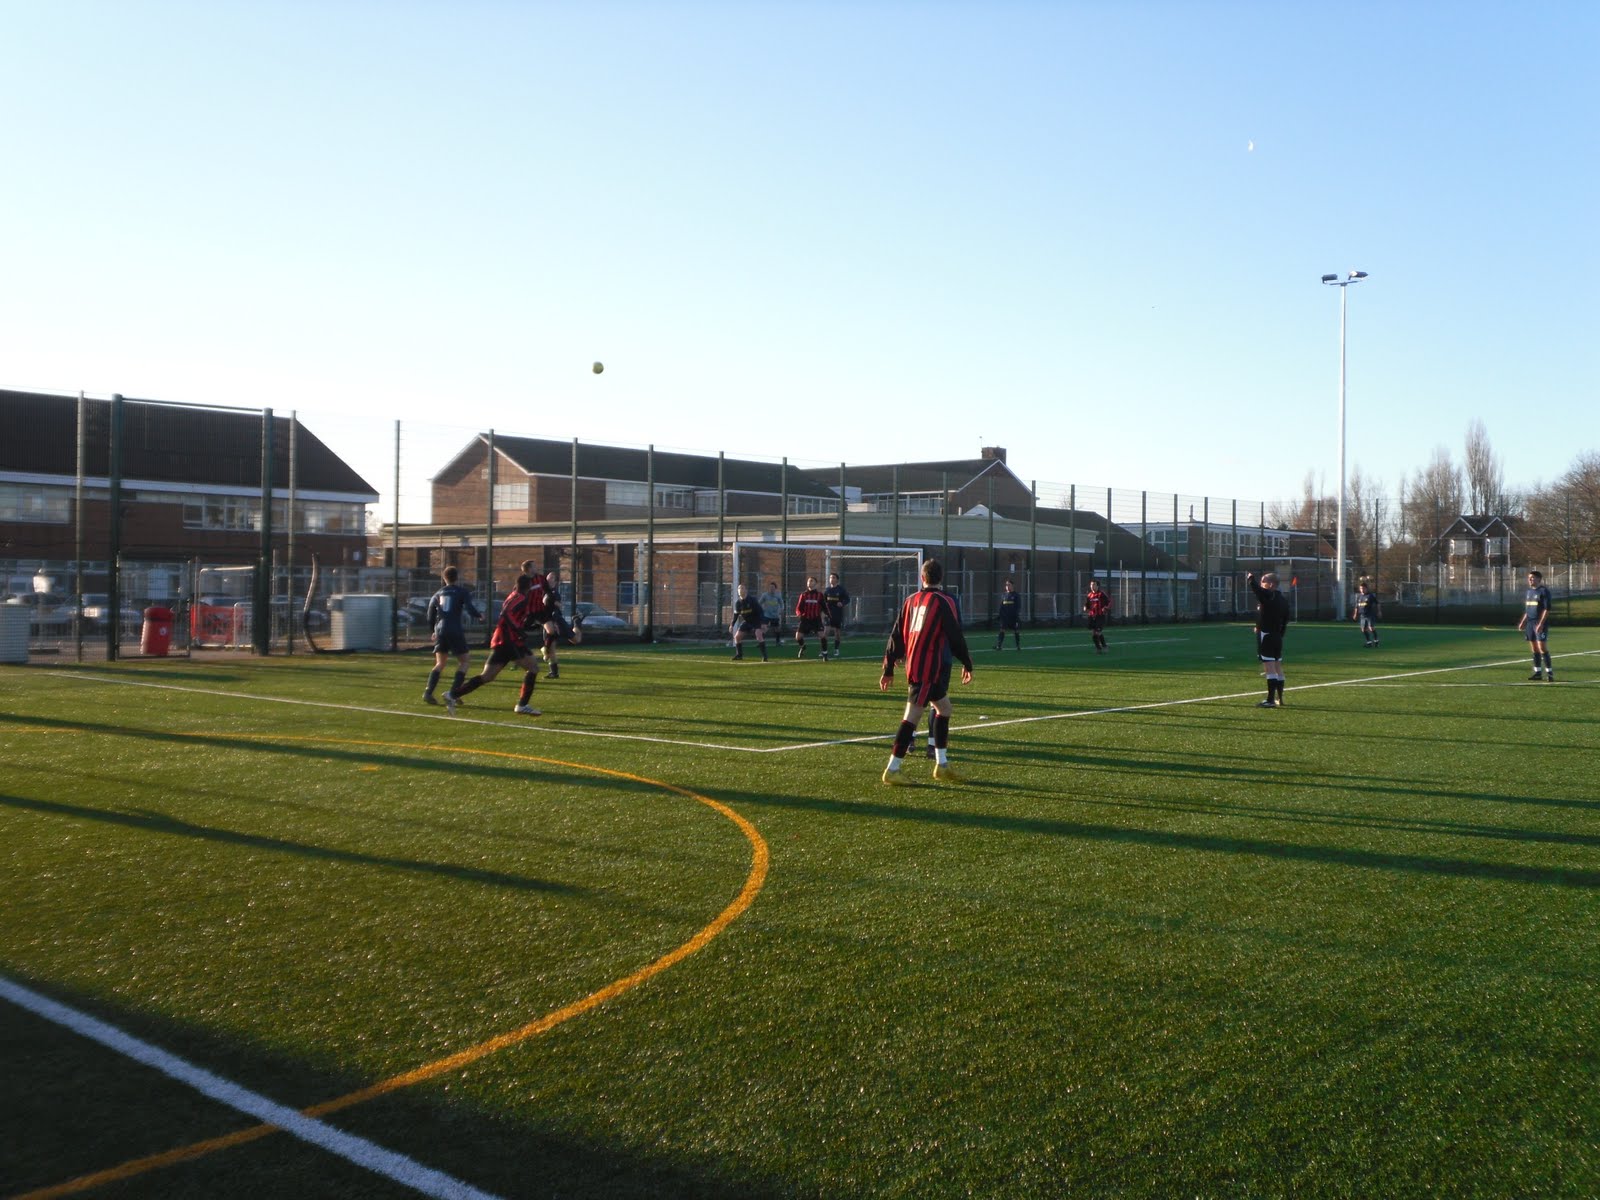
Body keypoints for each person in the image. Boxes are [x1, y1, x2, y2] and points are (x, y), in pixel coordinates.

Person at [880, 559, 974, 784]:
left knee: (945, 709)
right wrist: (967, 662)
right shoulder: (944, 600)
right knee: (912, 716)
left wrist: (889, 667)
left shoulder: (910, 600)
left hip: (919, 666)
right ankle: (893, 769)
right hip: (928, 669)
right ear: (941, 578)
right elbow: (954, 635)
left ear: (922, 578)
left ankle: (942, 765)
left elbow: (896, 635)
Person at [446, 574, 542, 717]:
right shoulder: (520, 598)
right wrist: (518, 630)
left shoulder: (515, 596)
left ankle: (453, 694)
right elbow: (506, 613)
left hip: (503, 640)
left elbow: (513, 616)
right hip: (509, 641)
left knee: (487, 676)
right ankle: (522, 705)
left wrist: (527, 627)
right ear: (529, 586)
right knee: (533, 667)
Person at [422, 565, 483, 705]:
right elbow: (469, 607)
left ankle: (428, 692)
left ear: (444, 578)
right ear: (457, 578)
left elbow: (430, 615)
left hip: (441, 630)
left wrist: (433, 631)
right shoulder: (462, 591)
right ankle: (453, 694)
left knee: (440, 663)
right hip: (454, 629)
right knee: (464, 661)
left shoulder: (437, 594)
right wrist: (479, 615)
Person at [1247, 570, 1290, 707]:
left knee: (1269, 667)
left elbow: (1258, 591)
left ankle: (1270, 700)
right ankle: (1280, 698)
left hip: (1267, 635)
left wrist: (1251, 579)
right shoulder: (1282, 599)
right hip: (1277, 636)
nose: (1261, 583)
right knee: (1277, 666)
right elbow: (1284, 620)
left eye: (1263, 581)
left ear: (1271, 584)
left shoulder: (1270, 595)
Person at [1518, 569, 1554, 681]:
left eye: (1532, 578)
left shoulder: (1544, 591)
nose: (1530, 580)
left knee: (1542, 647)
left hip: (1539, 622)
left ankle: (1550, 673)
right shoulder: (1529, 592)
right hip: (1530, 623)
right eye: (1529, 578)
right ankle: (1537, 673)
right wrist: (1523, 621)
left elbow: (1547, 609)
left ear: (1539, 579)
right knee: (1534, 648)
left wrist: (1541, 624)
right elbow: (1528, 609)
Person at [730, 582, 768, 661]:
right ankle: (739, 655)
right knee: (737, 637)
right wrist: (732, 625)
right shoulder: (738, 603)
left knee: (758, 635)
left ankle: (765, 656)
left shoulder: (752, 600)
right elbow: (736, 615)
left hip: (756, 620)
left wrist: (763, 623)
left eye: (742, 588)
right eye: (739, 588)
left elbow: (760, 611)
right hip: (747, 622)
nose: (740, 590)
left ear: (746, 590)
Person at [794, 576, 826, 659]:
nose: (809, 582)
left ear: (816, 583)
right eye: (808, 581)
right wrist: (799, 614)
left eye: (811, 581)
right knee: (798, 637)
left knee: (822, 635)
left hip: (816, 619)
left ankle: (824, 653)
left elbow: (824, 607)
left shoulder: (819, 595)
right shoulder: (803, 595)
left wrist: (824, 616)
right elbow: (798, 608)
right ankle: (803, 647)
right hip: (805, 619)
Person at [822, 572, 850, 659]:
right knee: (825, 632)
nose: (831, 579)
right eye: (830, 577)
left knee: (837, 632)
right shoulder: (827, 590)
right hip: (828, 614)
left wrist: (842, 603)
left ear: (837, 580)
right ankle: (824, 650)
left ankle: (836, 649)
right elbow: (823, 601)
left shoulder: (841, 590)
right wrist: (823, 611)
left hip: (837, 614)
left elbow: (847, 599)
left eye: (833, 577)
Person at [1083, 579, 1111, 653]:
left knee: (1098, 632)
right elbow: (1087, 604)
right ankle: (1098, 648)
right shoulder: (1089, 595)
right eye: (1091, 585)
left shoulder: (1101, 594)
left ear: (1098, 586)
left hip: (1100, 616)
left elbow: (1109, 602)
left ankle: (1104, 646)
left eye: (1094, 584)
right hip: (1091, 616)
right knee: (1094, 633)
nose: (1092, 586)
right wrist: (1085, 607)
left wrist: (1106, 608)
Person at [1352, 580, 1382, 647]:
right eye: (1361, 588)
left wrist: (1379, 611)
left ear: (1366, 588)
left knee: (1371, 628)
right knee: (1363, 630)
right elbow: (1357, 606)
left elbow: (1377, 603)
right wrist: (1355, 614)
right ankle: (1369, 642)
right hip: (1362, 615)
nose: (1362, 590)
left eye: (1363, 588)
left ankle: (1376, 641)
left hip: (1369, 615)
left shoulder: (1370, 596)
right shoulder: (1359, 596)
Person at [995, 578, 1022, 651]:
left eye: (1009, 585)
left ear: (1012, 585)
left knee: (1016, 631)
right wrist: (1000, 615)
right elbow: (1001, 606)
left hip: (1013, 617)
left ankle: (1018, 645)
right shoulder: (1004, 595)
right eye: (1006, 585)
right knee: (1002, 630)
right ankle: (999, 645)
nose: (1007, 586)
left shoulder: (1016, 595)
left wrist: (1016, 616)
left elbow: (1018, 607)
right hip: (1005, 617)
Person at [758, 580, 784, 647]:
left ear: (775, 588)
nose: (771, 589)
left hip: (775, 615)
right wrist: (761, 610)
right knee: (763, 628)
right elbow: (759, 603)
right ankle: (761, 643)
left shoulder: (778, 595)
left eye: (773, 587)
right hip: (766, 615)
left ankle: (778, 642)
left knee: (777, 629)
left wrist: (781, 609)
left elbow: (781, 603)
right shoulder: (765, 595)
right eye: (770, 587)